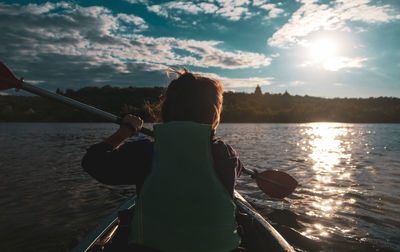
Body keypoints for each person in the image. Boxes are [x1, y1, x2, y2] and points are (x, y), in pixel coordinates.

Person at [82, 69, 244, 252]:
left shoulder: (144, 151)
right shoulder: (227, 154)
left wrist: (125, 131)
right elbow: (236, 169)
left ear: (167, 108)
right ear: (214, 113)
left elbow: (93, 162)